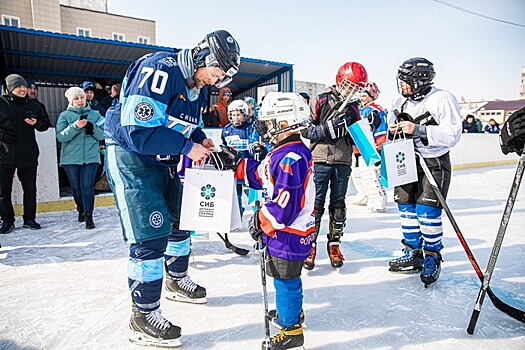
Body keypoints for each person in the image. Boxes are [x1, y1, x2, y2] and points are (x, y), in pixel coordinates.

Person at [104, 30, 240, 348]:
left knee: (182, 221)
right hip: (131, 156)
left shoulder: (196, 88)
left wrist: (201, 142)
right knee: (150, 237)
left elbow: (183, 127)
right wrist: (185, 147)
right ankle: (143, 314)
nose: (215, 82)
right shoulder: (160, 69)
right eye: (216, 74)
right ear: (204, 58)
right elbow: (137, 129)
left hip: (162, 158)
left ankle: (176, 280)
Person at [213, 92, 314, 350]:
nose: (264, 128)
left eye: (269, 122)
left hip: (289, 233)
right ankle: (291, 312)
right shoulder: (280, 152)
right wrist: (235, 163)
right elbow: (261, 175)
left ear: (284, 123)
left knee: (284, 277)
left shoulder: (292, 158)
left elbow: (285, 206)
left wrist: (260, 220)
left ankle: (291, 329)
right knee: (285, 276)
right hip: (283, 232)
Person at [387, 57, 462, 287]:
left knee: (427, 212)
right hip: (406, 159)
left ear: (421, 80)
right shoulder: (399, 102)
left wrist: (418, 129)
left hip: (433, 162)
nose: (402, 85)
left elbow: (453, 133)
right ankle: (413, 252)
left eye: (407, 81)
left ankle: (432, 256)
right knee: (406, 208)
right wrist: (392, 131)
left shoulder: (442, 99)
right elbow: (391, 127)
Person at [300, 61, 368, 270]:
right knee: (316, 206)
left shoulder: (354, 108)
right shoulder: (321, 100)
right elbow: (306, 130)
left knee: (338, 206)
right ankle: (310, 246)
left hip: (342, 161)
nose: (352, 91)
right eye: (350, 86)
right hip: (319, 160)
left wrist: (366, 128)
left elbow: (359, 139)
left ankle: (334, 245)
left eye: (357, 88)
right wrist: (326, 129)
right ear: (340, 81)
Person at [0, 74, 51, 233]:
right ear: (9, 88)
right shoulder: (1, 104)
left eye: (24, 87)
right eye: (18, 86)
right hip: (4, 155)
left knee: (30, 189)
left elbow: (45, 124)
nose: (23, 89)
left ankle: (30, 218)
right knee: (3, 191)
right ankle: (7, 220)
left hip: (28, 153)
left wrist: (37, 123)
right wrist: (2, 135)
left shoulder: (35, 106)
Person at [56, 87, 105, 229]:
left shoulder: (95, 115)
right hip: (71, 159)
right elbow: (60, 136)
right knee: (76, 189)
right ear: (71, 100)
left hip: (91, 157)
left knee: (87, 187)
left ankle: (89, 216)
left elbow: (103, 135)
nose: (80, 101)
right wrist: (75, 126)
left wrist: (93, 127)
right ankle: (81, 208)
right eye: (76, 98)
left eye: (82, 98)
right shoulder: (64, 116)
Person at [352, 81, 388, 212]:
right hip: (357, 147)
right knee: (357, 174)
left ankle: (378, 197)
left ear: (372, 95)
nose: (361, 97)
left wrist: (379, 147)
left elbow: (381, 130)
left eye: (364, 95)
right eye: (360, 95)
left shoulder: (375, 110)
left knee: (369, 174)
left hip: (369, 147)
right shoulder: (357, 109)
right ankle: (364, 194)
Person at [220, 99, 260, 218]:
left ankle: (258, 217)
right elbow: (224, 147)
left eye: (239, 115)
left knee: (253, 195)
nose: (236, 118)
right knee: (235, 195)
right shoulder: (227, 130)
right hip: (234, 169)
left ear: (245, 114)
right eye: (233, 115)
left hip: (249, 168)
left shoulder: (251, 128)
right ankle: (237, 217)